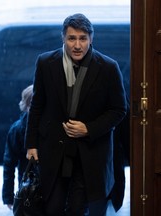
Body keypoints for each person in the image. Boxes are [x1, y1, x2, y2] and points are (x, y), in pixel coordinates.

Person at [25, 13, 127, 216]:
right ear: (63, 38)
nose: (77, 45)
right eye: (72, 38)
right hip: (54, 148)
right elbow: (37, 105)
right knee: (52, 208)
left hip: (91, 152)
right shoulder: (46, 63)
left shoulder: (108, 67)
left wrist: (89, 128)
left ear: (91, 39)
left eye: (83, 38)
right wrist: (31, 144)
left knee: (78, 209)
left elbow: (119, 109)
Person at [2, 85, 33, 210]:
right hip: (29, 186)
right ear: (27, 106)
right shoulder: (18, 130)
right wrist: (8, 196)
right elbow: (9, 164)